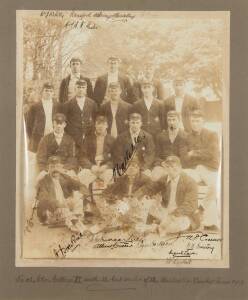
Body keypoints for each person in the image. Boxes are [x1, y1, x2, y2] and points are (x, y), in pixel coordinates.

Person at [136, 156, 200, 235]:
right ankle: (158, 227)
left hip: (183, 215)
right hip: (166, 212)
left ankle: (154, 228)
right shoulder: (164, 179)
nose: (171, 169)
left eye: (174, 167)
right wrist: (135, 197)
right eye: (168, 167)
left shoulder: (189, 182)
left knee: (180, 224)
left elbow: (190, 205)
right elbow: (150, 188)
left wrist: (173, 215)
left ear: (180, 168)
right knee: (148, 204)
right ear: (165, 168)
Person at [184, 110, 220, 230]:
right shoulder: (188, 136)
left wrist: (194, 153)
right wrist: (199, 156)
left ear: (203, 121)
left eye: (197, 121)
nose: (195, 124)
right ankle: (186, 220)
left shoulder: (212, 134)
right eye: (193, 121)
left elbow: (212, 153)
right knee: (182, 179)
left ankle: (202, 211)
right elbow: (186, 158)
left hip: (210, 168)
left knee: (213, 186)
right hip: (196, 168)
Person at [36, 156, 89, 227]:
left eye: (57, 166)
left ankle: (74, 219)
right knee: (67, 214)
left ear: (61, 167)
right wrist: (60, 204)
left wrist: (82, 193)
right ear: (47, 168)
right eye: (52, 167)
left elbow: (79, 185)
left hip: (65, 207)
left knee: (78, 195)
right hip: (52, 209)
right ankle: (74, 220)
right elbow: (44, 199)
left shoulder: (64, 177)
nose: (55, 169)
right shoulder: (43, 181)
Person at [113, 112, 155, 177]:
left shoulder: (147, 137)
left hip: (142, 166)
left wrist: (143, 168)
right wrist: (125, 166)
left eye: (137, 123)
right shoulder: (121, 137)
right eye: (133, 122)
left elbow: (150, 154)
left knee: (148, 177)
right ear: (129, 123)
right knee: (117, 176)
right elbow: (118, 154)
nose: (135, 125)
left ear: (141, 124)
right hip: (126, 165)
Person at [78, 114, 115, 187]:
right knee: (80, 178)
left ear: (107, 125)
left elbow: (116, 158)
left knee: (112, 178)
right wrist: (91, 166)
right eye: (98, 124)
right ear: (95, 125)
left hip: (105, 169)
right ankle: (86, 198)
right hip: (91, 169)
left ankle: (107, 197)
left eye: (103, 124)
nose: (100, 126)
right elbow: (82, 157)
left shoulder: (112, 140)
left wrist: (106, 166)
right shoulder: (88, 139)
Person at [151, 110, 188, 181]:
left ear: (179, 120)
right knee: (154, 177)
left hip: (179, 166)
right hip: (163, 166)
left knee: (181, 180)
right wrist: (162, 163)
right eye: (169, 120)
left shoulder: (185, 136)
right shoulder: (160, 136)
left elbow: (186, 157)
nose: (171, 122)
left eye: (174, 120)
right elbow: (156, 155)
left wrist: (176, 165)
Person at [62, 79, 98, 149]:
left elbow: (95, 118)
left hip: (88, 136)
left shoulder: (92, 103)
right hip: (73, 137)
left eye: (83, 87)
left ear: (86, 89)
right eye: (78, 87)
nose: (81, 90)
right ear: (75, 89)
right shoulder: (67, 105)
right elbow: (65, 122)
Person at [26, 83, 61, 153]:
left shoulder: (58, 105)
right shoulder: (35, 106)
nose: (48, 93)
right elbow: (29, 125)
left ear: (53, 93)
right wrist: (33, 137)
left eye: (51, 91)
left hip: (54, 137)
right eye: (46, 90)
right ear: (42, 92)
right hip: (38, 138)